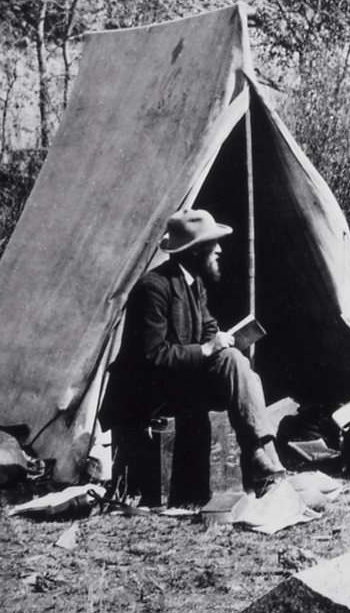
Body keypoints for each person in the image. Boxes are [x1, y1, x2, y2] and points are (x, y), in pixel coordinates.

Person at [99, 208, 286, 504]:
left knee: (235, 360)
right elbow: (152, 357)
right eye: (214, 244)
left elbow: (207, 328)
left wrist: (227, 340)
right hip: (146, 397)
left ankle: (261, 457)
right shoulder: (153, 288)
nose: (220, 250)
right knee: (233, 361)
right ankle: (260, 459)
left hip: (176, 385)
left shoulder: (194, 285)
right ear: (195, 251)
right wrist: (208, 349)